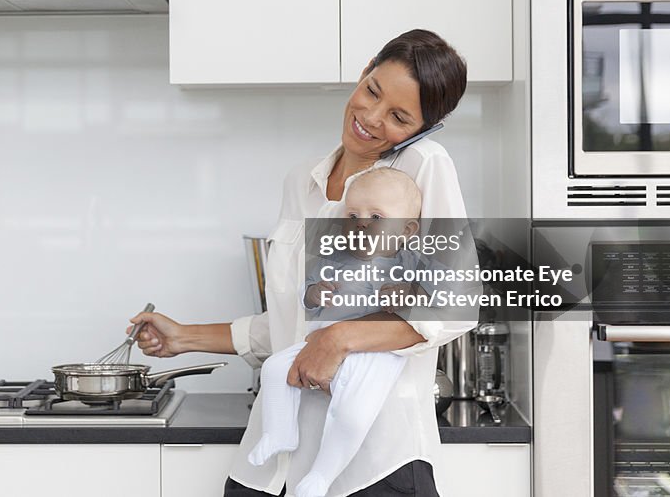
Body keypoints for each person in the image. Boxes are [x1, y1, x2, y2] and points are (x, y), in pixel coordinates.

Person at [131, 29, 473, 497]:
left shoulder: (422, 166)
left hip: (371, 466)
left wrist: (340, 337)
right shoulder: (303, 181)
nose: (370, 118)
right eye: (372, 90)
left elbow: (456, 306)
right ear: (365, 69)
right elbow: (291, 328)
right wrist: (184, 337)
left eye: (398, 116)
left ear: (423, 128)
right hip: (271, 468)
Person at [248, 167, 427, 497]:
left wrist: (405, 295)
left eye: (376, 216)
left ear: (406, 229)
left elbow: (426, 305)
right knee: (274, 369)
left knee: (353, 413)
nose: (361, 222)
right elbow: (308, 298)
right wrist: (314, 293)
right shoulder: (335, 257)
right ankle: (279, 432)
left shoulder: (408, 261)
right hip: (320, 345)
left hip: (374, 355)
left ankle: (321, 475)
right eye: (353, 214)